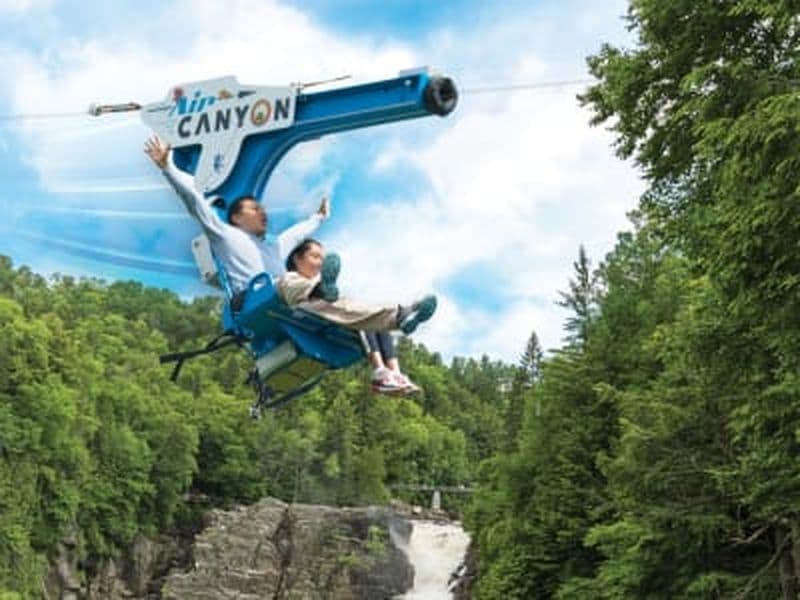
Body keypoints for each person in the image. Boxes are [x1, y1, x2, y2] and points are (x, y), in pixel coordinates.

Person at [144, 136, 435, 391]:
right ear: (236, 217)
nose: (263, 213)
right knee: (289, 282)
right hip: (256, 300)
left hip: (291, 301)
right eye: (255, 209)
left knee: (350, 310)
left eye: (262, 209)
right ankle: (320, 291)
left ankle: (399, 318)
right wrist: (167, 167)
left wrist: (319, 218)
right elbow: (194, 201)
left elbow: (299, 233)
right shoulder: (226, 236)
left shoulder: (274, 245)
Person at [284, 239, 423, 395]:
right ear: (297, 258)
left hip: (325, 314)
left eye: (322, 260)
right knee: (356, 314)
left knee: (372, 322)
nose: (320, 263)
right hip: (300, 313)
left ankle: (395, 373)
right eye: (315, 257)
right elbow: (291, 293)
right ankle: (381, 369)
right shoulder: (288, 278)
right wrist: (320, 290)